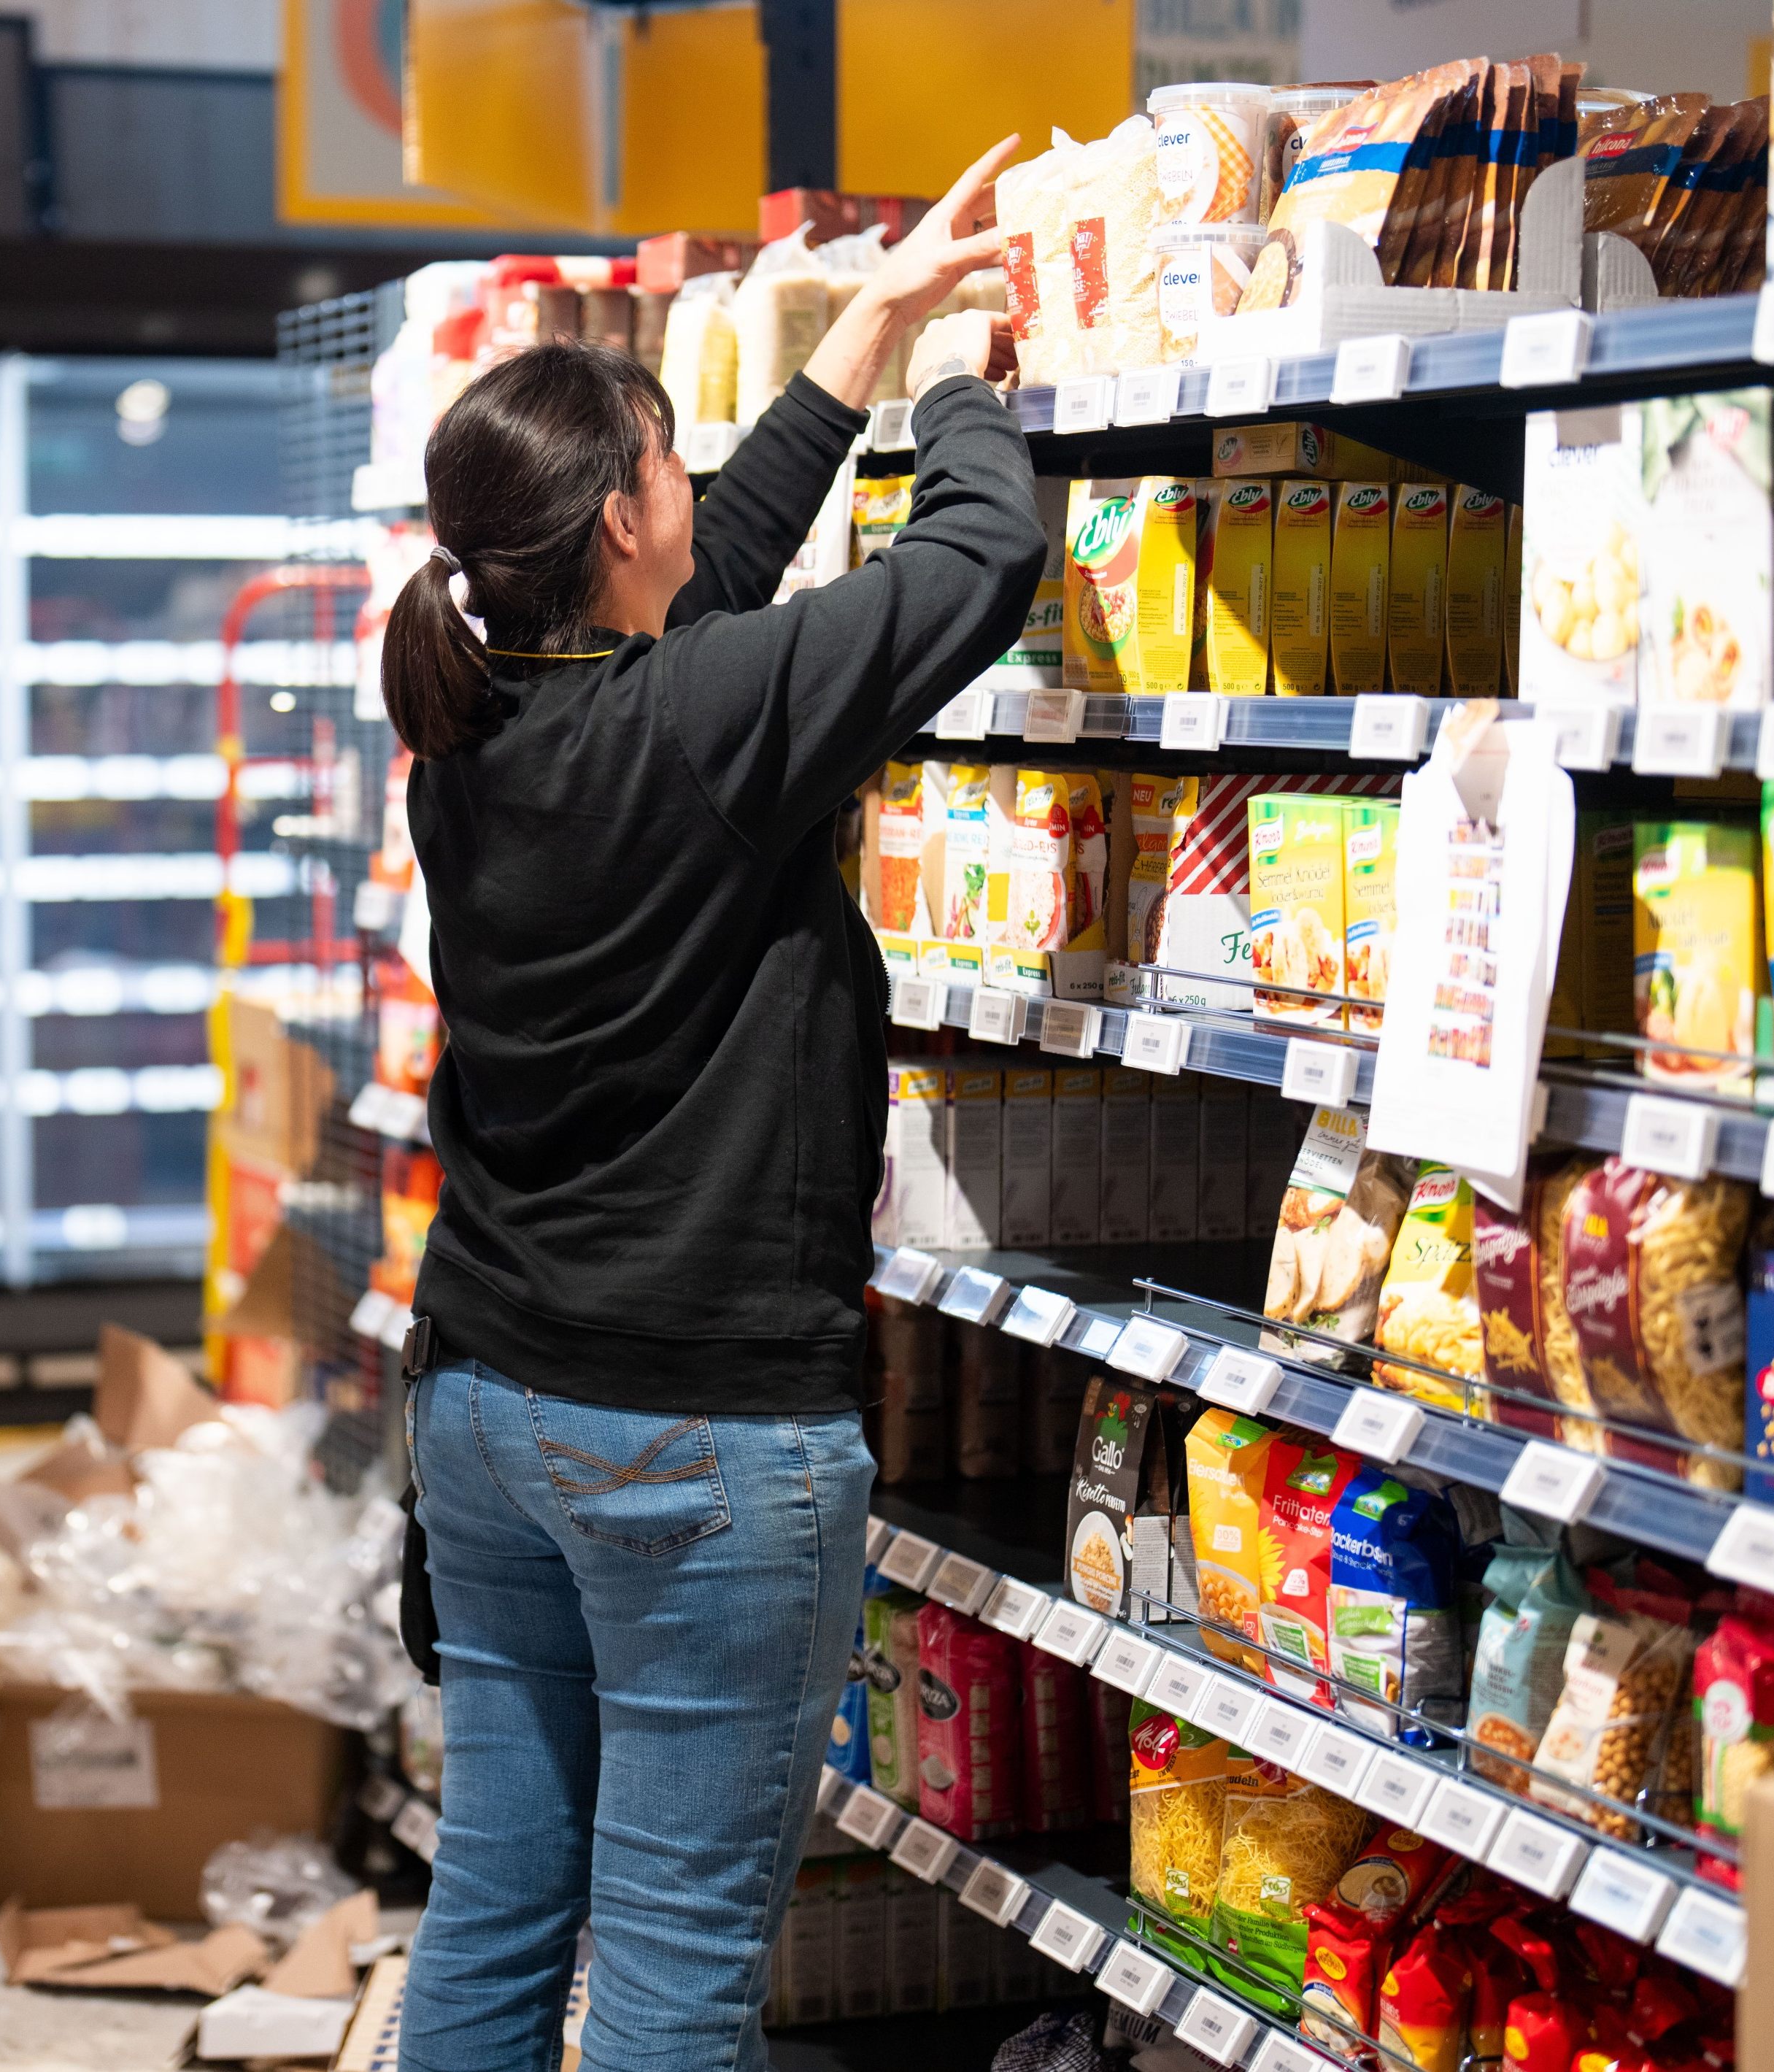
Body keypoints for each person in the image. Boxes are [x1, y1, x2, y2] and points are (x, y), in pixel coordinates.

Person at [381, 138, 1049, 2072]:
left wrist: (859, 334)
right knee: (674, 1964)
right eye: (669, 462)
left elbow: (717, 584)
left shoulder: (475, 720)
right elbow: (976, 565)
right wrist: (960, 389)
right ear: (613, 526)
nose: (692, 496)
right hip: (691, 1436)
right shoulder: (696, 721)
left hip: (494, 1404)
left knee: (500, 1906)